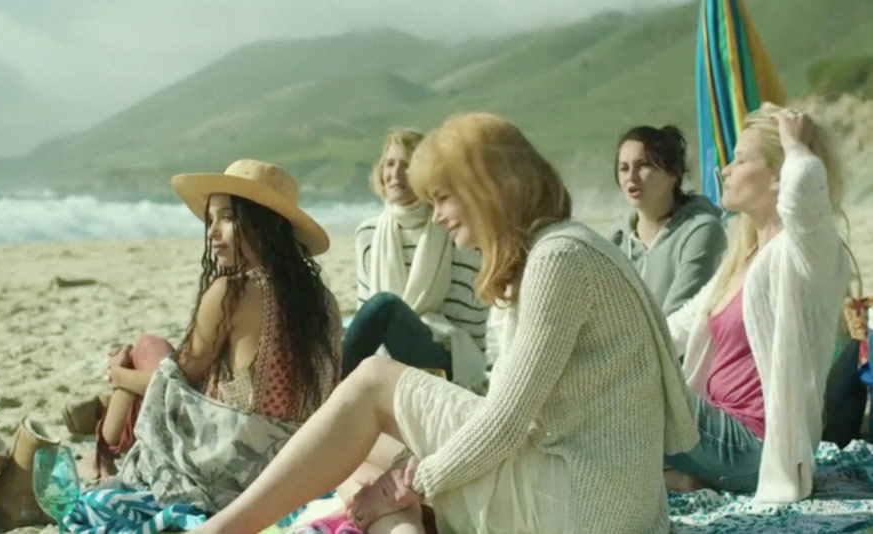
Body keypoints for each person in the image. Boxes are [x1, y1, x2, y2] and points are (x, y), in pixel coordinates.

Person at [187, 113, 698, 534]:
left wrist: (411, 482)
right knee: (366, 453)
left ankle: (222, 530)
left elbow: (505, 423)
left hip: (586, 509)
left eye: (444, 197)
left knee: (372, 384)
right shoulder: (559, 248)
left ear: (488, 188)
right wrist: (405, 480)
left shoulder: (557, 259)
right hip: (603, 497)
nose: (437, 216)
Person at [79, 159, 342, 481]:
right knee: (157, 353)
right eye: (211, 219)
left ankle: (100, 454)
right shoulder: (325, 302)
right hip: (303, 459)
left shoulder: (233, 291)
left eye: (228, 217)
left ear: (266, 224)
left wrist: (118, 374)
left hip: (237, 461)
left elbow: (174, 381)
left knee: (147, 347)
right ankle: (102, 443)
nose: (213, 232)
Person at [664, 104, 851, 502]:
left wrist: (794, 145)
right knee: (620, 383)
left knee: (638, 388)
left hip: (755, 448)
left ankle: (676, 477)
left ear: (777, 176)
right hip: (716, 434)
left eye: (740, 159)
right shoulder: (743, 256)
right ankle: (680, 479)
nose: (726, 170)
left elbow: (805, 191)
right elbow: (678, 327)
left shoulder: (805, 256)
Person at [346, 128, 488, 388]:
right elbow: (365, 311)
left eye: (407, 165)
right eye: (389, 164)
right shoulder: (368, 233)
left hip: (445, 360)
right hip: (387, 354)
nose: (395, 173)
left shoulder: (455, 228)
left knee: (386, 306)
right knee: (376, 311)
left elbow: (471, 324)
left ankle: (322, 393)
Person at [609, 125, 726, 315]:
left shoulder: (700, 231)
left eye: (643, 165)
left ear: (673, 172)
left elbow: (679, 314)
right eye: (624, 168)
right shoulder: (616, 239)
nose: (631, 177)